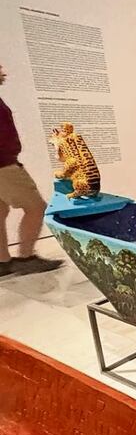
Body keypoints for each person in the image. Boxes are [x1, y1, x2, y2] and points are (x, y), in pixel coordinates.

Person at [0, 64, 63, 277]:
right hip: (4, 166)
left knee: (0, 211)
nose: (2, 70)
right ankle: (26, 258)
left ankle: (2, 261)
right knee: (36, 207)